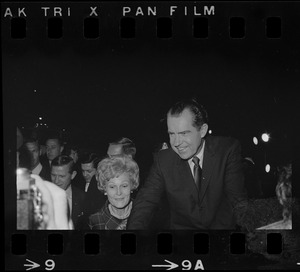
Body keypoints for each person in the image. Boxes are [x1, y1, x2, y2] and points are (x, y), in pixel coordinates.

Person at [127, 98, 247, 230]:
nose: (177, 142)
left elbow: (237, 202)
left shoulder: (227, 150)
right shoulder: (163, 160)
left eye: (184, 133)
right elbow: (145, 202)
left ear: (202, 130)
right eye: (172, 134)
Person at [89, 155, 139, 230]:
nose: (118, 193)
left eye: (124, 186)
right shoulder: (93, 221)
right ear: (105, 189)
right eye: (112, 187)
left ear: (132, 186)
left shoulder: (146, 215)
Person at [51, 155, 85, 229]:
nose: (56, 181)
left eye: (61, 176)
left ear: (73, 175)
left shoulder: (82, 197)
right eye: (53, 175)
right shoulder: (42, 195)